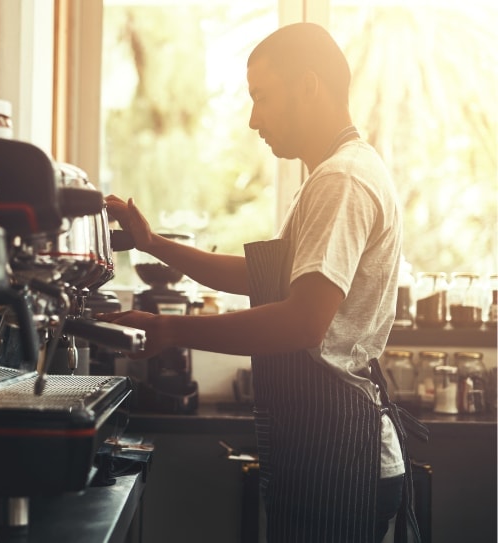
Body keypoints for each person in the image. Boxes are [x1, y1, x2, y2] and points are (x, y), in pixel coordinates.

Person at [97, 22, 428, 543]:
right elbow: (260, 277)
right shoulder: (329, 176)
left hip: (339, 456)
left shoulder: (342, 179)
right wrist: (153, 243)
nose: (254, 120)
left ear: (309, 86)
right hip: (321, 447)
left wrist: (171, 331)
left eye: (262, 97)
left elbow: (303, 322)